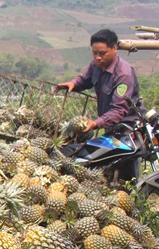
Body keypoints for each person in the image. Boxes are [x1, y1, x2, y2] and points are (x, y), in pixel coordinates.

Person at [54, 28, 143, 181]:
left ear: (115, 48)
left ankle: (135, 199)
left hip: (127, 133)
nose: (98, 57)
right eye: (94, 53)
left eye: (102, 53)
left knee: (126, 175)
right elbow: (85, 80)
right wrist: (73, 84)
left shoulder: (123, 75)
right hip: (111, 128)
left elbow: (118, 110)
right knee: (102, 166)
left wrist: (95, 123)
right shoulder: (96, 65)